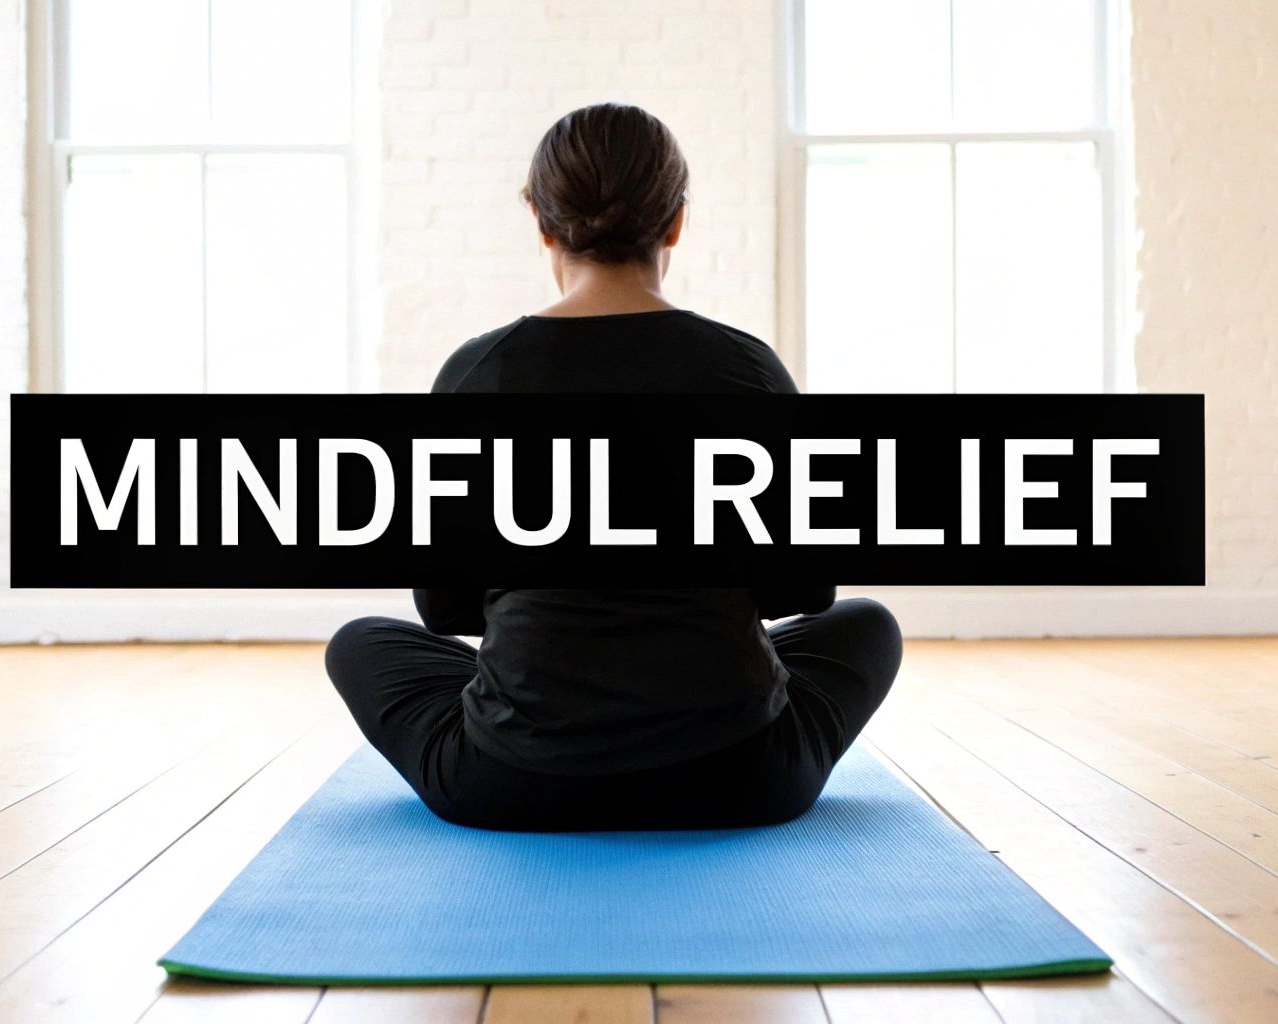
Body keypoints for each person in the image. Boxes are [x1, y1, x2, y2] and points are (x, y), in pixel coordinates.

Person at [325, 102, 901, 832]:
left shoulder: (476, 374)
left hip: (512, 782)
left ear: (541, 224)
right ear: (675, 224)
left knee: (359, 643)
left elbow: (442, 609)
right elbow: (806, 589)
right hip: (742, 778)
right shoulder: (747, 370)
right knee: (869, 626)